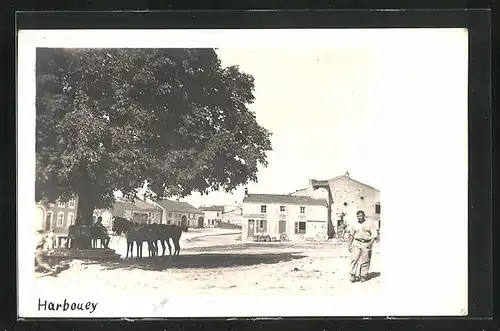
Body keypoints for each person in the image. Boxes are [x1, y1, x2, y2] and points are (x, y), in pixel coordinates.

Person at [347, 210, 378, 283]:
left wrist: (370, 243)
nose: (359, 217)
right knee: (354, 258)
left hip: (366, 243)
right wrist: (349, 244)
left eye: (361, 215)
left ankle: (363, 275)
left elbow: (374, 234)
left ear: (364, 216)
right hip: (357, 242)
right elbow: (351, 234)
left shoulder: (369, 223)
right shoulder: (355, 224)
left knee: (365, 260)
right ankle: (352, 275)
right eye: (358, 216)